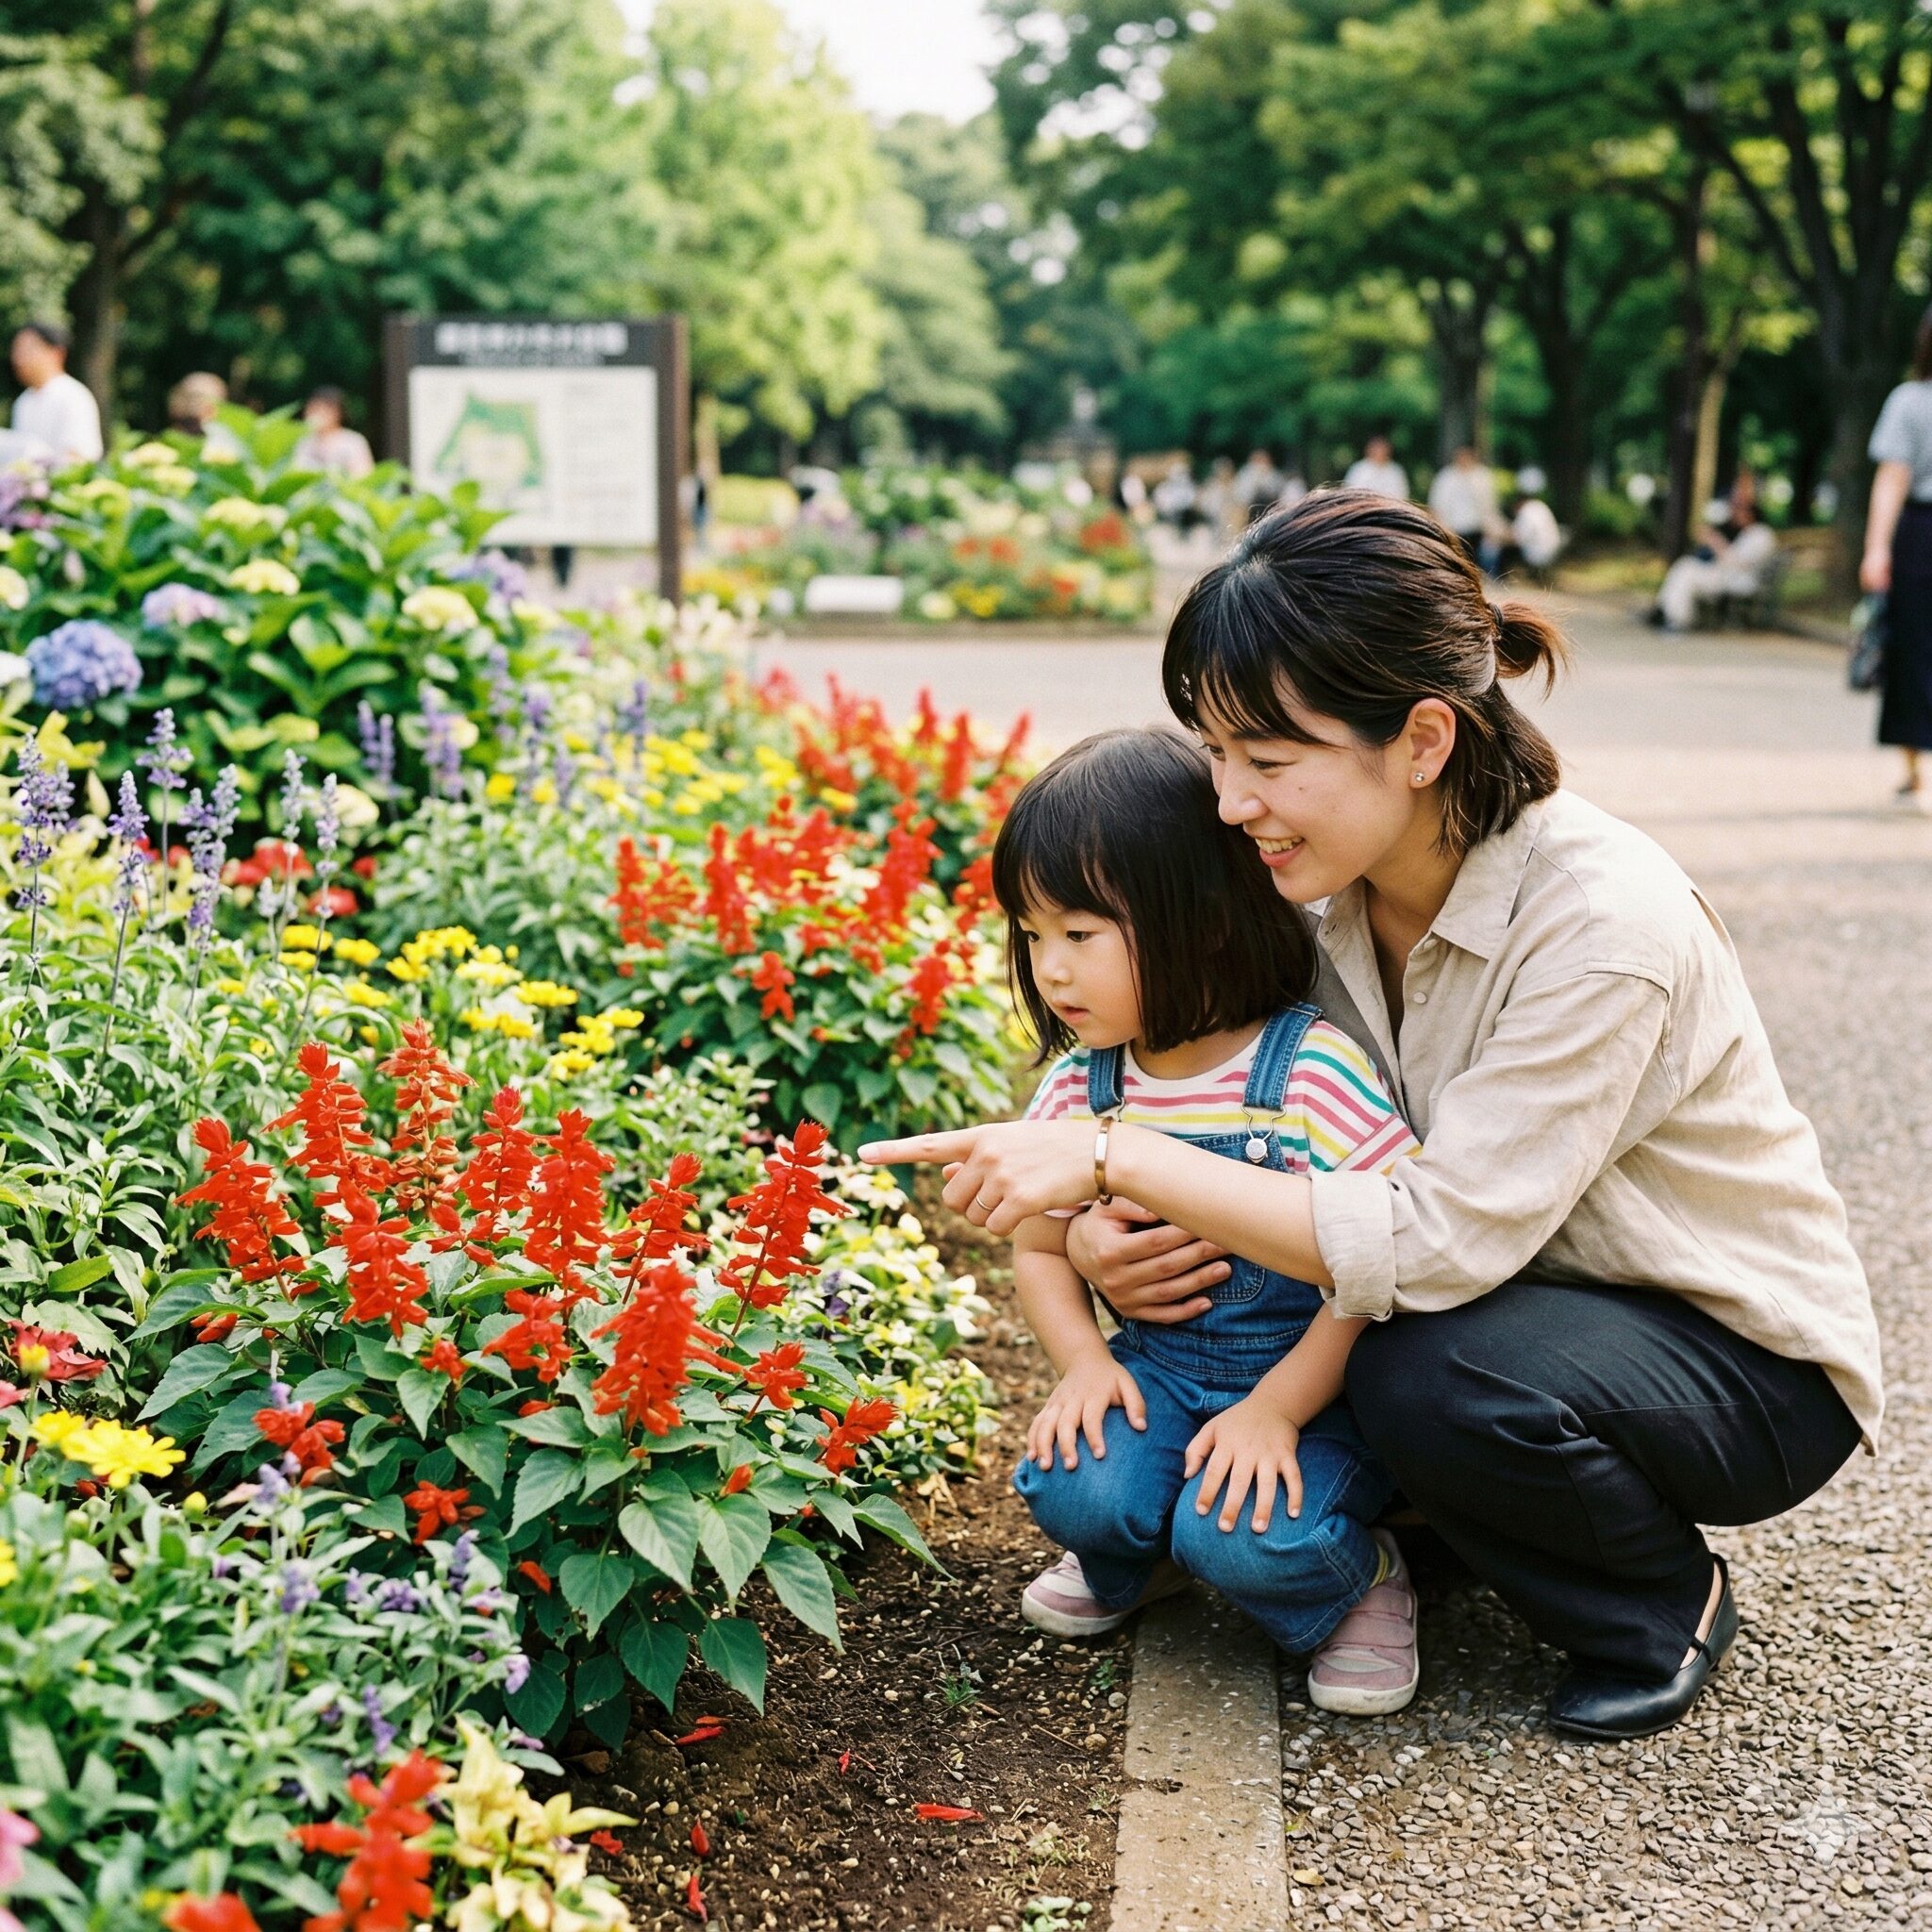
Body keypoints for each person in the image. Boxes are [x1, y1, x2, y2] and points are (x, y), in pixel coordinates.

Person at [863, 490, 1880, 1742]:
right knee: (1386, 1353)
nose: (1230, 802)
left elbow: (1426, 1246)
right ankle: (1429, 1526)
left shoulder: (1605, 928)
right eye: (1218, 753)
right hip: (1523, 1304)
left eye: (1271, 761)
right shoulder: (1316, 886)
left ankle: (1656, 1601)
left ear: (1422, 740)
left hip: (1726, 1354)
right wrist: (1085, 1236)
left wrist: (1115, 1151)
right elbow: (1248, 1120)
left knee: (1417, 1361)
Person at [993, 728, 1424, 1714]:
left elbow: (1374, 1264)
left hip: (1310, 1392)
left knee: (1247, 1535)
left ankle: (1357, 1576)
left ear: (1206, 920)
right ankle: (1144, 1552)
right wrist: (1086, 1366)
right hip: (1162, 1374)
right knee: (1071, 1486)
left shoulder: (1305, 1070)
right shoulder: (1079, 1082)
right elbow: (1038, 1247)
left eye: (1080, 933)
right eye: (1031, 935)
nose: (1049, 970)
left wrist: (1274, 1408)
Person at [1860, 302, 1932, 803]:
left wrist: (1878, 548)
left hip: (1920, 535)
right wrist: (1876, 548)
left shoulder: (1910, 400)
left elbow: (1891, 478)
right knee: (1912, 651)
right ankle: (1915, 771)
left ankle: (1915, 773)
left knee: (1914, 651)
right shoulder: (1910, 400)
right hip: (1919, 533)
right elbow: (1892, 479)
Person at [1652, 498, 1778, 631]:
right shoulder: (1750, 533)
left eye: (1739, 512)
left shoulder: (1761, 535)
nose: (1735, 515)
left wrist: (1715, 542)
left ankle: (1678, 618)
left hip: (1737, 579)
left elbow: (1742, 563)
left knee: (1686, 571)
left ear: (1750, 514)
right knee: (1685, 566)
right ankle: (1667, 612)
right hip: (1727, 575)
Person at [9, 322, 103, 464]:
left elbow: (80, 458)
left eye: (28, 350)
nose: (19, 359)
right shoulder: (23, 402)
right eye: (17, 351)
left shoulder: (73, 396)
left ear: (57, 353)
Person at [1426, 445, 1497, 564]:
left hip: (1478, 528)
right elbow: (1436, 505)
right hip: (1453, 528)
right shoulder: (1446, 477)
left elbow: (1489, 505)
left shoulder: (1482, 476)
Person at [293, 387, 374, 478]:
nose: (316, 415)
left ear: (338, 413)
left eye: (323, 410)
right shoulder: (301, 442)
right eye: (313, 409)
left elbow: (364, 476)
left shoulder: (353, 442)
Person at [1342, 435, 1407, 501]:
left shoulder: (1395, 470)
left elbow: (1401, 493)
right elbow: (1350, 492)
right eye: (1376, 449)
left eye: (1382, 449)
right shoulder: (1359, 469)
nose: (1379, 452)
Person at [1232, 447, 1286, 526]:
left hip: (1270, 507)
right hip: (1249, 509)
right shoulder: (1246, 474)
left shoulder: (1274, 475)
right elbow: (1241, 495)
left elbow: (1278, 491)